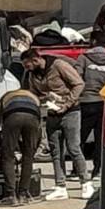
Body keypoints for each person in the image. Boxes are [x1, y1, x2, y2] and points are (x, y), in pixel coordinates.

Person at [23, 49, 90, 199]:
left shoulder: (59, 65)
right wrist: (43, 100)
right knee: (55, 151)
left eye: (27, 65)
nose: (26, 69)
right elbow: (34, 93)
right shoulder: (32, 74)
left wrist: (66, 103)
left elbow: (79, 84)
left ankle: (85, 183)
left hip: (70, 112)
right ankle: (60, 186)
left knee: (73, 148)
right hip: (52, 113)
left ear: (35, 60)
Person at [0, 86, 43, 205]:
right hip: (33, 118)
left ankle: (11, 195)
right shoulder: (34, 98)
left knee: (8, 157)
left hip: (13, 117)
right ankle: (23, 195)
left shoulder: (5, 97)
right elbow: (39, 128)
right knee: (28, 158)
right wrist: (33, 148)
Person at [78, 41, 105, 171]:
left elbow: (77, 76)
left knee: (79, 137)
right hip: (104, 103)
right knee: (100, 139)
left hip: (86, 101)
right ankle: (97, 168)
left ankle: (78, 168)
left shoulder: (84, 58)